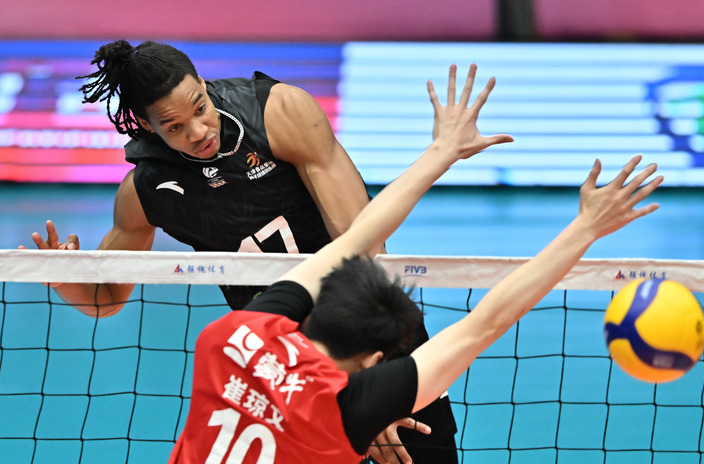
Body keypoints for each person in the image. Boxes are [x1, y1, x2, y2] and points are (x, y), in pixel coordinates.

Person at [168, 65, 662, 463]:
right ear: (371, 362)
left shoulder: (228, 337)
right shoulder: (346, 411)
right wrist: (586, 228)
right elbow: (486, 323)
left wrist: (442, 151)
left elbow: (355, 240)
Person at [19, 40, 458, 463]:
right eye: (174, 127)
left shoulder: (278, 113)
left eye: (200, 108)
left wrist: (369, 391)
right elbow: (106, 297)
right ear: (147, 125)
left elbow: (364, 245)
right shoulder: (146, 190)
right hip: (278, 367)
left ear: (202, 82)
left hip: (373, 334)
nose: (198, 132)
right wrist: (65, 280)